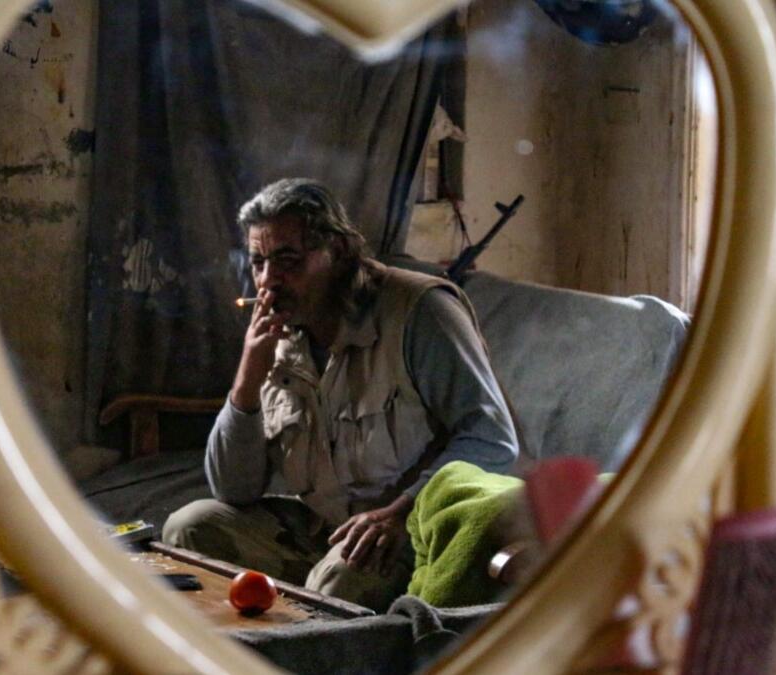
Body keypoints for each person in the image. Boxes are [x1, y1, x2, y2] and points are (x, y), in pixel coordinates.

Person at [163, 178, 520, 611]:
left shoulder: (420, 313)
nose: (268, 281)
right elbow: (233, 489)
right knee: (188, 528)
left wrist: (401, 512)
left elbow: (491, 438)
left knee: (334, 586)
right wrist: (248, 379)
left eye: (288, 260)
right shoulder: (281, 328)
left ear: (336, 253)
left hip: (406, 529)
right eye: (258, 262)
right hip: (324, 527)